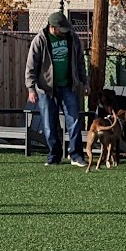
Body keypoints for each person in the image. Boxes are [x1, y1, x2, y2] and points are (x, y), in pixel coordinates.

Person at [26, 10, 87, 167]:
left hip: (68, 86)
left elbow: (80, 61)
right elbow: (31, 66)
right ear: (52, 27)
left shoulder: (72, 38)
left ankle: (76, 156)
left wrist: (84, 82)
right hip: (46, 89)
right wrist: (31, 88)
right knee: (49, 124)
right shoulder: (40, 40)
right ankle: (54, 156)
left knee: (74, 121)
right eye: (61, 29)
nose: (64, 32)